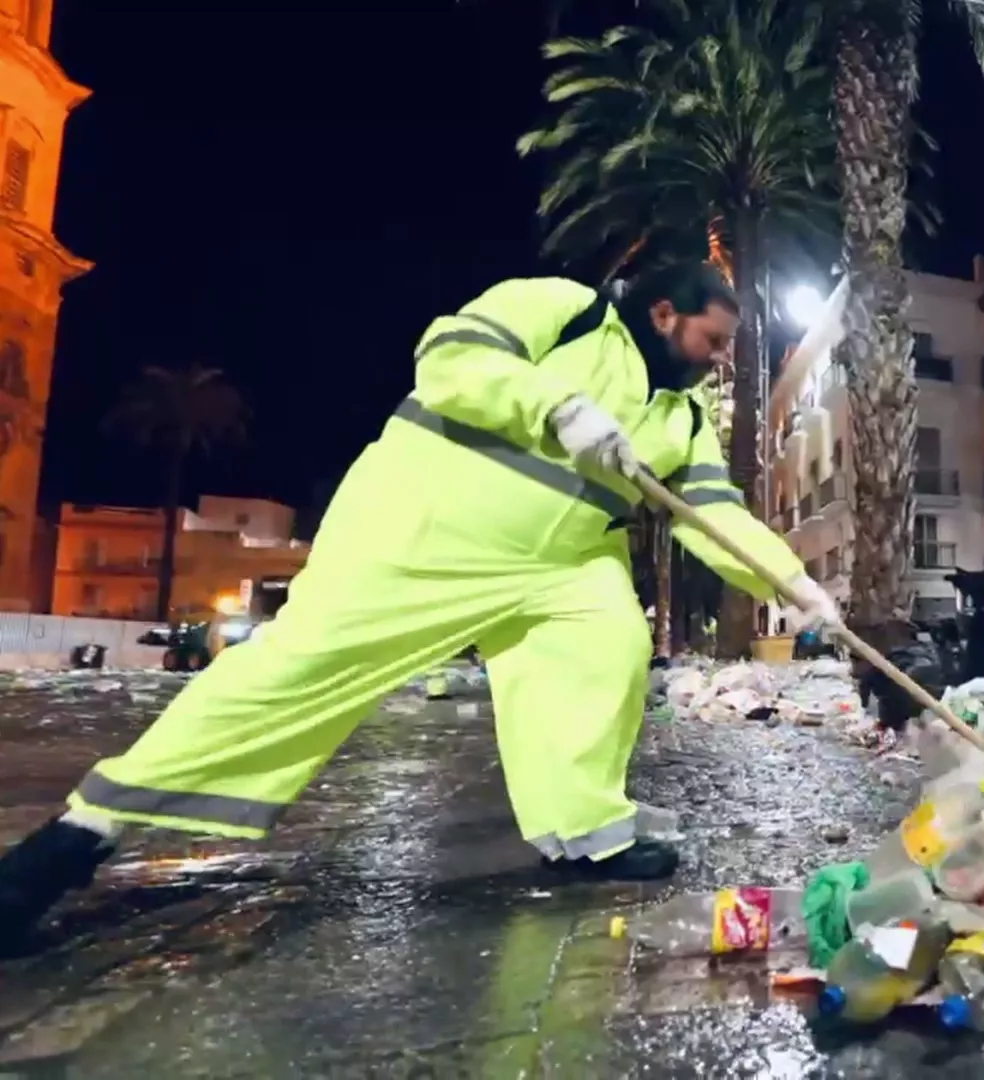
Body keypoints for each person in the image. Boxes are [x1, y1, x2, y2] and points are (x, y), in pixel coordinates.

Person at [0, 265, 840, 944]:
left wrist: (792, 585)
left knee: (607, 644)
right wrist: (554, 405)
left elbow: (714, 515)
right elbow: (449, 360)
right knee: (299, 669)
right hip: (424, 533)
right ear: (664, 313)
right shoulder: (562, 310)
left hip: (562, 564)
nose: (722, 359)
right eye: (715, 340)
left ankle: (586, 834)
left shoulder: (684, 419)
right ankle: (87, 830)